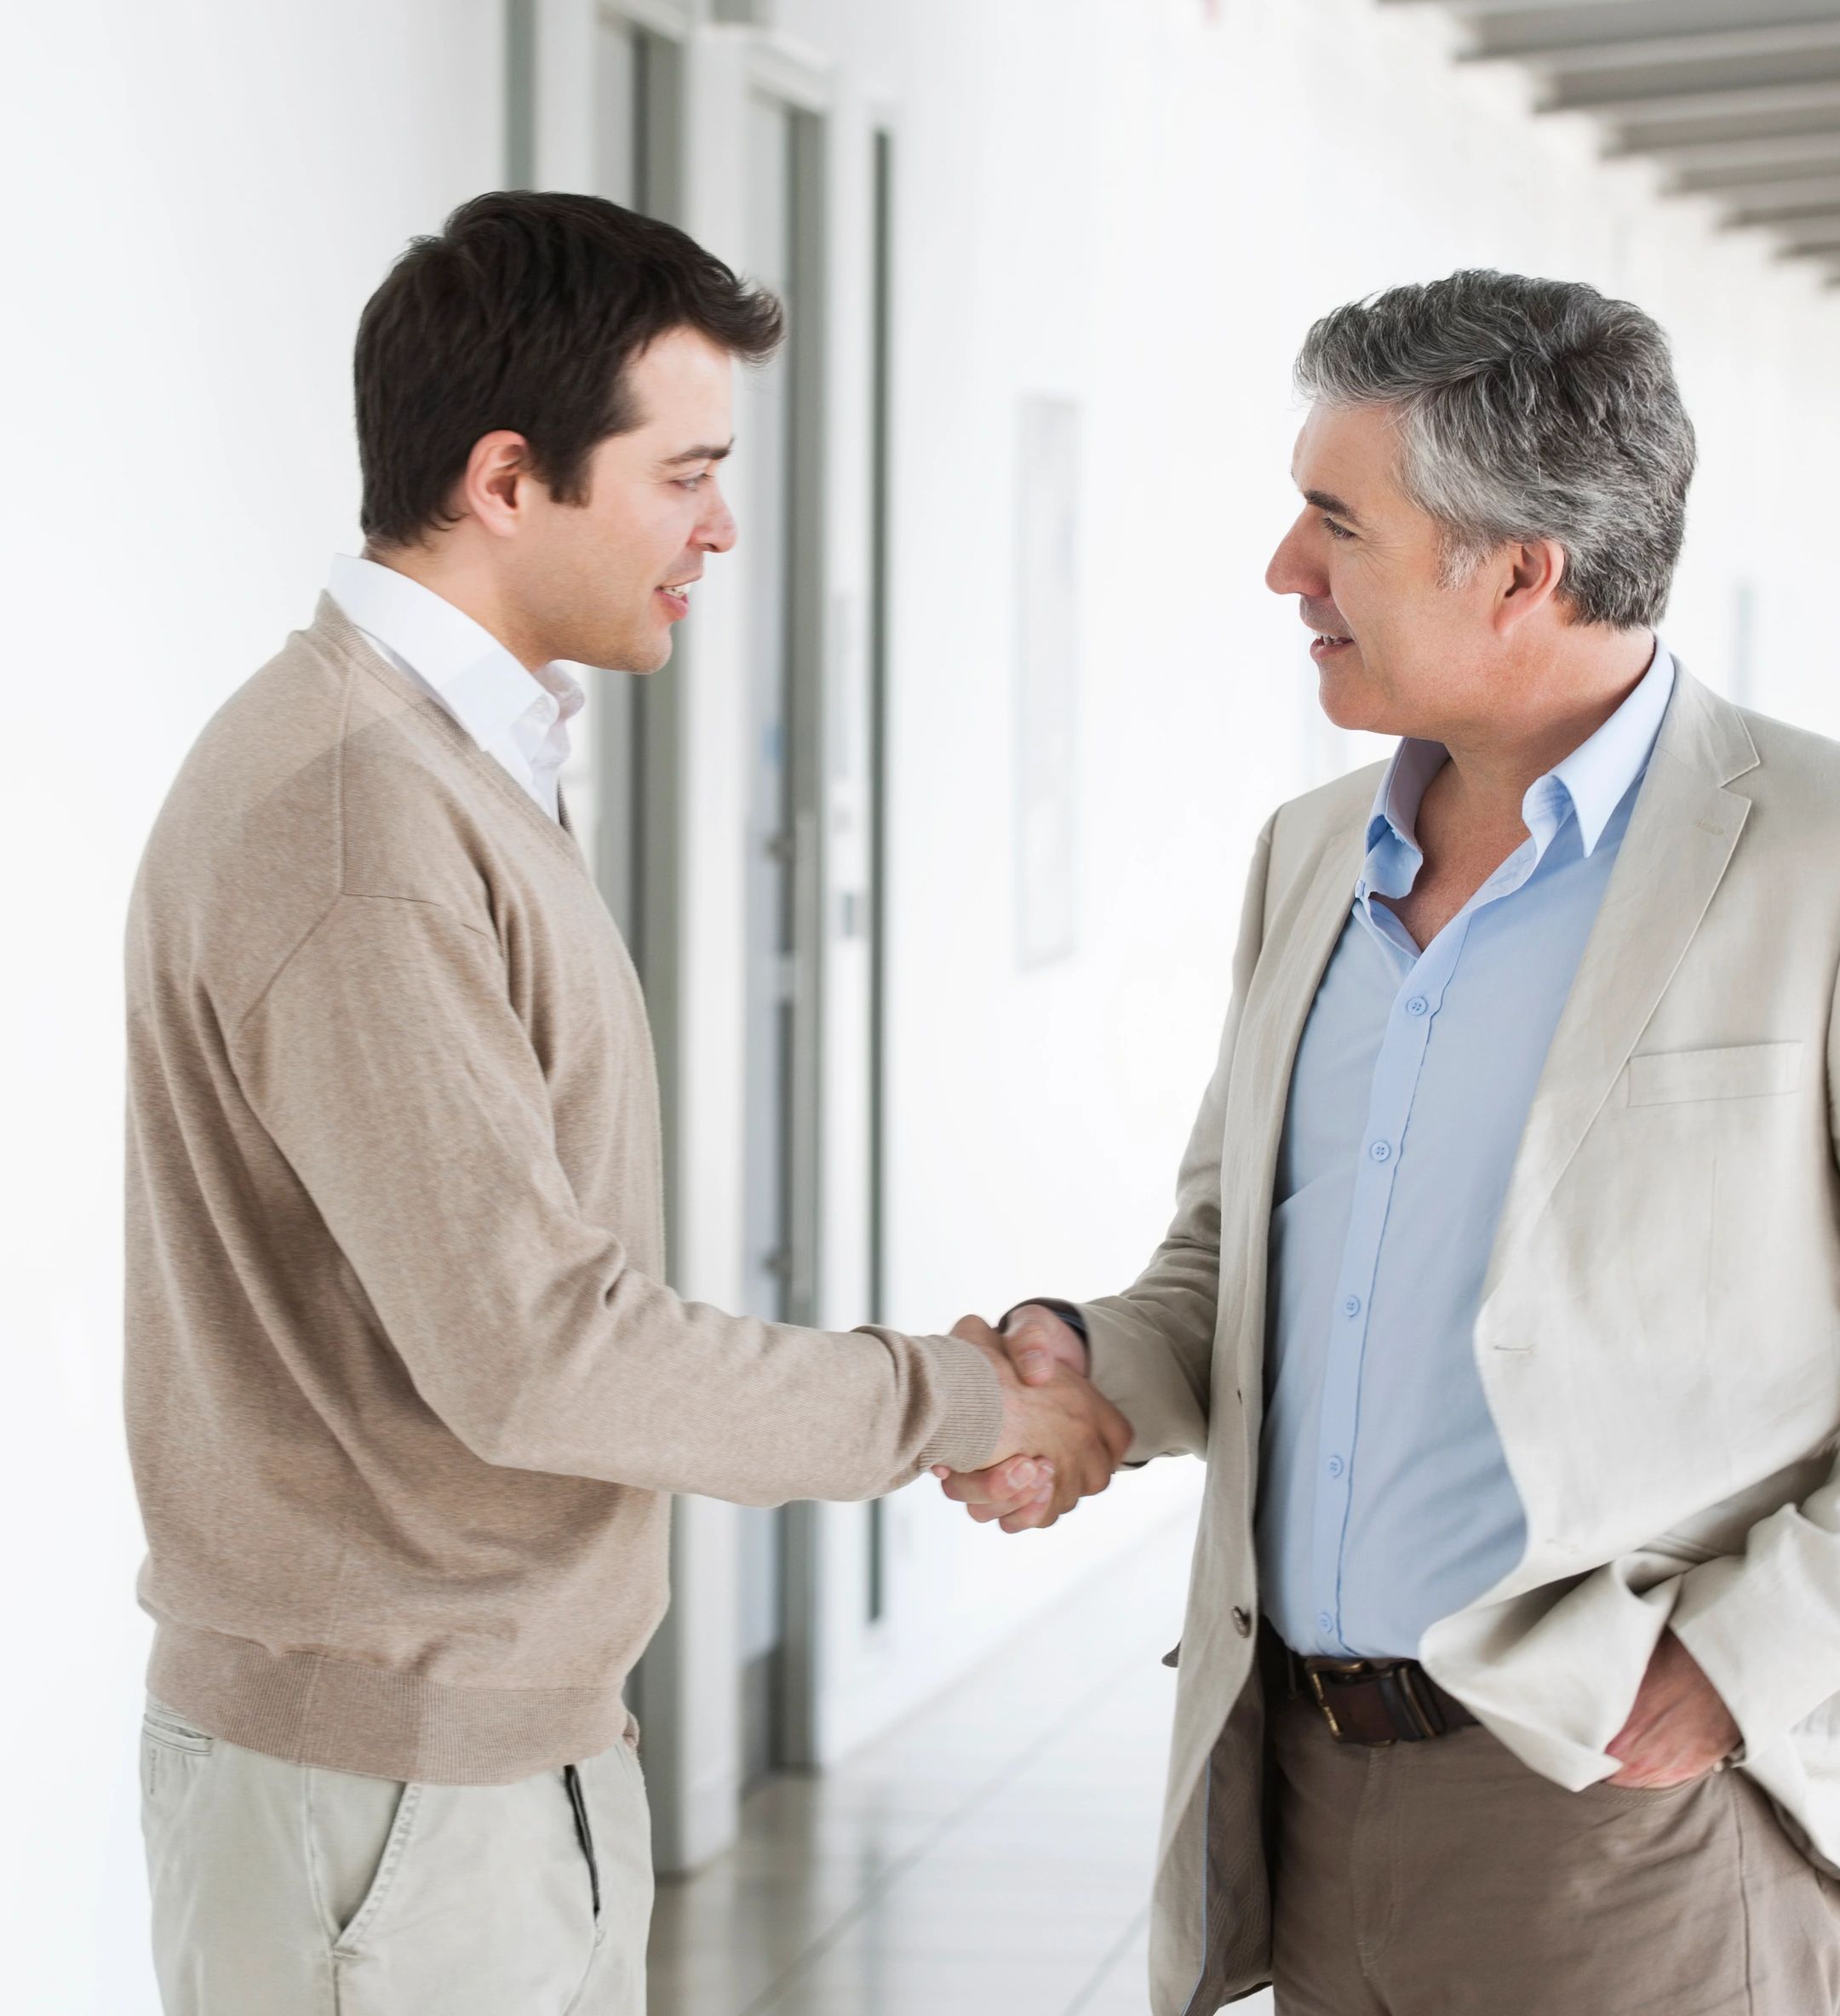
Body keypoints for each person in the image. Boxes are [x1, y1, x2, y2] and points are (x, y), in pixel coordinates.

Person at [940, 270, 1840, 2015]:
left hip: (1620, 1820)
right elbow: (1231, 1262)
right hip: (1299, 1789)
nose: (1284, 569)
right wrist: (1085, 1362)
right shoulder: (1310, 853)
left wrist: (1735, 1661)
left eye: (1336, 522)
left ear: (1516, 570)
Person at [123, 190, 1128, 2016]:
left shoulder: (443, 769)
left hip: (478, 1764)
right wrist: (967, 1397)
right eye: (685, 476)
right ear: (508, 480)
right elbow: (539, 1353)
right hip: (393, 1800)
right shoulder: (361, 820)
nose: (720, 528)